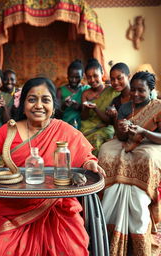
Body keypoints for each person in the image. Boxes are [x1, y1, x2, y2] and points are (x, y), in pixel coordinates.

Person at [0, 77, 105, 256]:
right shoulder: (8, 130)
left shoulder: (64, 130)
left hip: (58, 205)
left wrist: (91, 164)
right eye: (32, 99)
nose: (38, 105)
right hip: (13, 206)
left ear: (54, 105)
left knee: (72, 248)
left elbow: (86, 158)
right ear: (23, 104)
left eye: (45, 100)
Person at [98, 71, 161, 256]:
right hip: (129, 142)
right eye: (133, 90)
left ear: (151, 90)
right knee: (105, 150)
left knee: (147, 157)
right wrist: (122, 128)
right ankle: (110, 195)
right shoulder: (125, 107)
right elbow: (120, 137)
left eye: (141, 90)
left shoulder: (158, 107)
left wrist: (143, 131)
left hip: (152, 144)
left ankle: (142, 194)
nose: (135, 94)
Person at [80, 58, 119, 156]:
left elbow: (109, 120)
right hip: (88, 127)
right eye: (89, 77)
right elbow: (84, 117)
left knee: (97, 139)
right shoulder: (86, 93)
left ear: (102, 73)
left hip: (106, 127)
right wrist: (86, 108)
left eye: (95, 76)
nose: (92, 80)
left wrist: (95, 108)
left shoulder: (111, 91)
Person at [56, 59, 90, 129]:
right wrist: (63, 106)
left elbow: (91, 112)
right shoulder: (60, 91)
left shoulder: (87, 89)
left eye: (77, 77)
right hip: (65, 126)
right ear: (67, 76)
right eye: (71, 77)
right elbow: (56, 115)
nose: (74, 80)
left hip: (84, 126)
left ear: (83, 76)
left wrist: (79, 107)